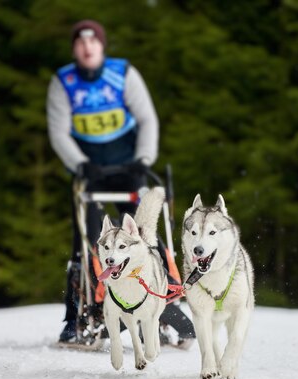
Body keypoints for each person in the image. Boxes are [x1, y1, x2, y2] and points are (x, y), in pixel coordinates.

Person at [47, 20, 195, 347]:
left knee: (144, 235)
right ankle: (75, 319)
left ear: (102, 46)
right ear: (75, 49)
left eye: (93, 42)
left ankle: (163, 304)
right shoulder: (64, 82)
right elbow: (58, 132)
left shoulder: (123, 74)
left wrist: (143, 159)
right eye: (81, 43)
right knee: (85, 241)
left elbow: (146, 119)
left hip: (129, 165)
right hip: (88, 171)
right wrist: (80, 164)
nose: (87, 48)